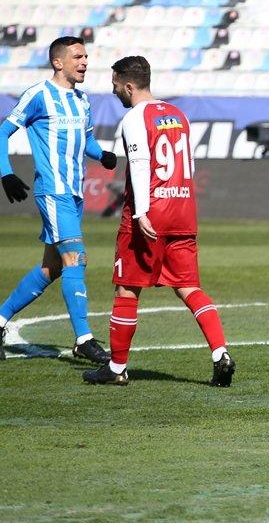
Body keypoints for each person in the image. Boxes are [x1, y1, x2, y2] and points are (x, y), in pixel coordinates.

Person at [84, 55, 235, 386]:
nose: (114, 91)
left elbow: (139, 163)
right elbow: (189, 165)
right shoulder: (178, 115)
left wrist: (141, 212)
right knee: (189, 287)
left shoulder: (135, 118)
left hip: (150, 213)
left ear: (128, 86)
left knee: (127, 289)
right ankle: (220, 352)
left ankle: (116, 368)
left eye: (115, 85)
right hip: (182, 209)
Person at [0, 36, 116, 364]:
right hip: (53, 191)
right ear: (58, 62)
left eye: (86, 56)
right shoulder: (38, 95)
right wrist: (7, 174)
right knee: (75, 258)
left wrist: (103, 155)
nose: (84, 62)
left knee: (51, 268)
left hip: (75, 192)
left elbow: (87, 141)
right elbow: (1, 134)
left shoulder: (81, 100)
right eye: (77, 57)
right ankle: (83, 339)